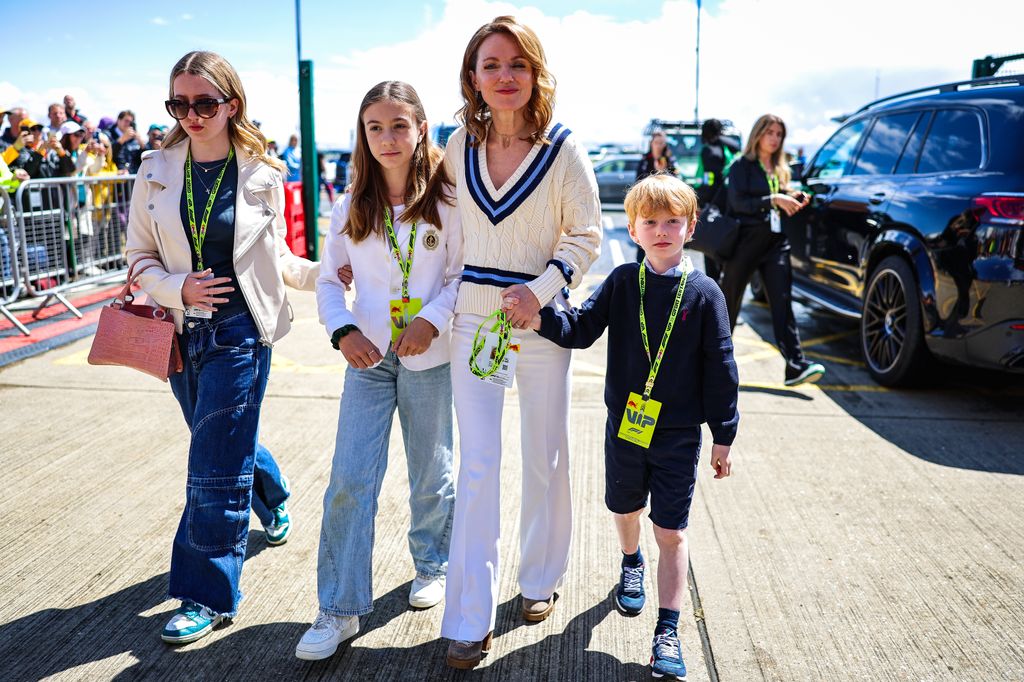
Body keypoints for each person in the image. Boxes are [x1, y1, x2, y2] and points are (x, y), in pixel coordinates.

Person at [125, 49, 319, 645]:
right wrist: (176, 286)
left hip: (240, 332)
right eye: (178, 103)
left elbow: (280, 258)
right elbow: (139, 261)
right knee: (222, 444)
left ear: (232, 104)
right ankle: (274, 494)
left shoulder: (263, 172)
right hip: (183, 331)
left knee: (212, 465)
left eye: (204, 102)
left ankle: (206, 594)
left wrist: (336, 271)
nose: (191, 114)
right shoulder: (155, 169)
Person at [522, 173, 737, 680]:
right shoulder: (622, 282)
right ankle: (629, 559)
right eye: (650, 222)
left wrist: (724, 435)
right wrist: (540, 319)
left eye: (672, 222)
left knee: (672, 530)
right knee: (624, 508)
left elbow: (722, 366)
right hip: (626, 426)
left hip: (680, 435)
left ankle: (668, 629)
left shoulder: (705, 293)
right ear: (634, 229)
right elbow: (580, 327)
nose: (661, 231)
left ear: (689, 227)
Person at [439, 15, 602, 670]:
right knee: (477, 465)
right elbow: (442, 238)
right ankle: (469, 616)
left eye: (516, 64)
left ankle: (539, 579)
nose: (504, 76)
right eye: (491, 65)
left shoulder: (564, 150)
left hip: (538, 324)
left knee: (545, 454)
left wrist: (542, 289)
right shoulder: (455, 147)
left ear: (535, 73)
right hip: (474, 325)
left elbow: (585, 237)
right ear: (473, 78)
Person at [295, 80, 462, 661]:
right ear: (362, 136)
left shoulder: (449, 202)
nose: (386, 138)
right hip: (366, 360)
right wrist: (342, 331)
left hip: (428, 357)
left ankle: (432, 564)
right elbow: (327, 278)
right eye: (374, 127)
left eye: (398, 125)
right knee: (349, 479)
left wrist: (433, 321)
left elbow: (461, 276)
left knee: (431, 471)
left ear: (421, 129)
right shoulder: (350, 205)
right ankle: (338, 608)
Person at [720, 114, 824, 386]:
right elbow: (737, 203)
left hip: (776, 242)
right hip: (746, 241)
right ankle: (713, 362)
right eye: (770, 133)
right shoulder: (742, 165)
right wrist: (773, 199)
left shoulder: (780, 167)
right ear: (758, 135)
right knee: (729, 301)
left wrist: (793, 197)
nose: (775, 138)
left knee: (782, 303)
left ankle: (795, 365)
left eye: (779, 134)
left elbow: (781, 195)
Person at [696, 118, 739, 283]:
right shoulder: (730, 147)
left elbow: (707, 179)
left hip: (714, 203)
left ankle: (712, 283)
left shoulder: (708, 151)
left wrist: (701, 199)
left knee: (710, 245)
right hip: (732, 203)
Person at [634, 129, 676, 262]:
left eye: (662, 143)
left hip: (666, 207)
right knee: (643, 242)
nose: (659, 146)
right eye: (657, 142)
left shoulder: (670, 159)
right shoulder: (645, 159)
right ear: (651, 143)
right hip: (646, 206)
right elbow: (638, 182)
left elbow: (676, 182)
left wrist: (663, 172)